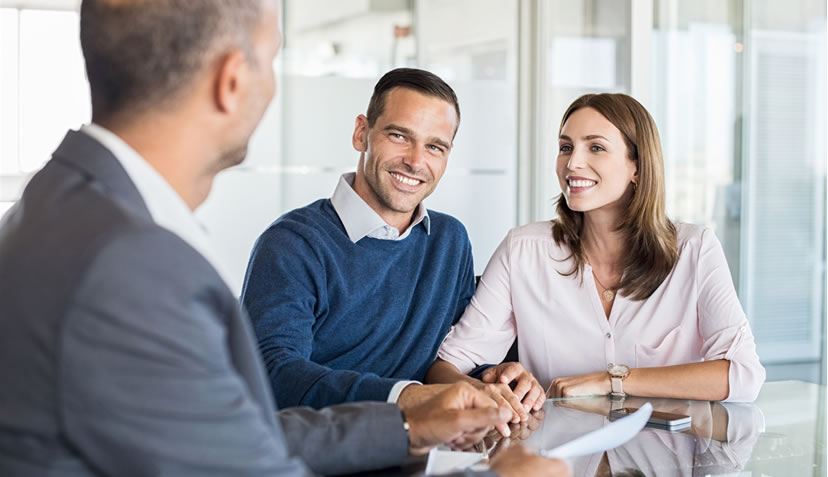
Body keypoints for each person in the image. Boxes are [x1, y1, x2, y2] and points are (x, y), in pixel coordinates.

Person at [0, 1, 569, 476]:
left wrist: (408, 423)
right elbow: (250, 460)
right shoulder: (132, 264)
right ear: (232, 80)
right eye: (272, 60)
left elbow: (234, 438)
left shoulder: (66, 213)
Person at [240, 67, 542, 423]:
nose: (416, 161)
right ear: (361, 133)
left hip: (422, 449)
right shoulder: (292, 243)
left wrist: (496, 378)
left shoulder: (449, 241)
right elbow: (274, 375)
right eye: (399, 136)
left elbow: (449, 359)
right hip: (319, 455)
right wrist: (407, 396)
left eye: (434, 146)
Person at [428, 93, 765, 403]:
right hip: (556, 461)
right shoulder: (523, 251)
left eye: (596, 148)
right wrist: (493, 398)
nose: (572, 163)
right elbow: (444, 368)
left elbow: (743, 375)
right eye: (565, 147)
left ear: (637, 166)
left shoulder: (694, 250)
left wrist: (612, 380)